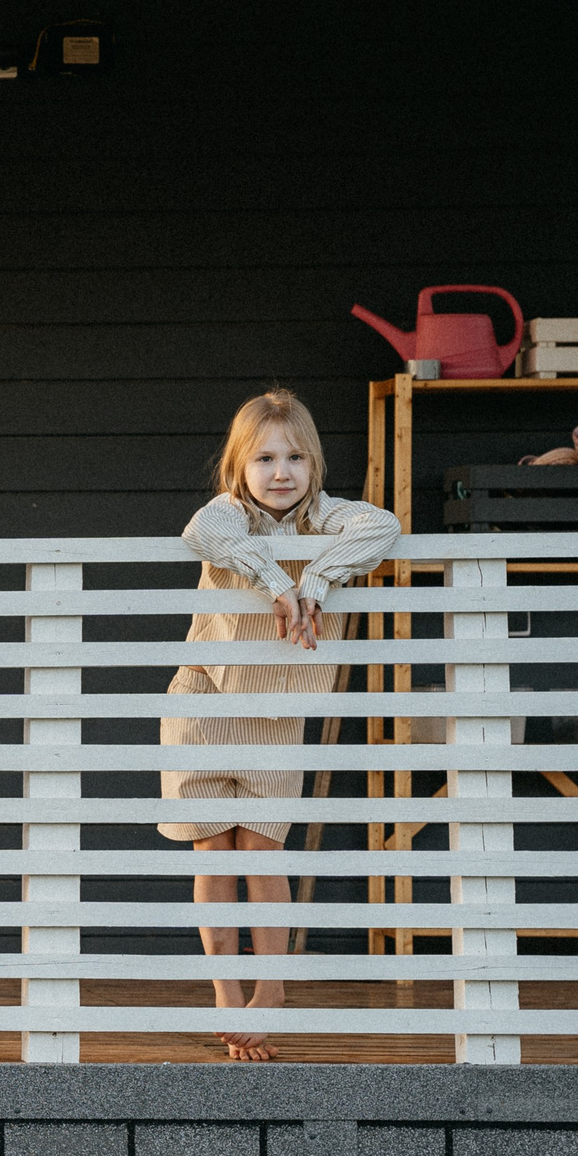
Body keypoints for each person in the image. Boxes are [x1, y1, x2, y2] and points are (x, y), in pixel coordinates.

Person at [161, 389, 397, 1062]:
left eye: (295, 456)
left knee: (262, 851)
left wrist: (314, 580)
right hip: (203, 701)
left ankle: (272, 988)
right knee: (213, 853)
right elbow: (200, 535)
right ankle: (227, 997)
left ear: (315, 465)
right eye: (264, 457)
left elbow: (384, 526)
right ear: (239, 466)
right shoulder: (226, 515)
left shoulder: (332, 519)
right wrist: (274, 578)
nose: (281, 470)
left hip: (275, 716)